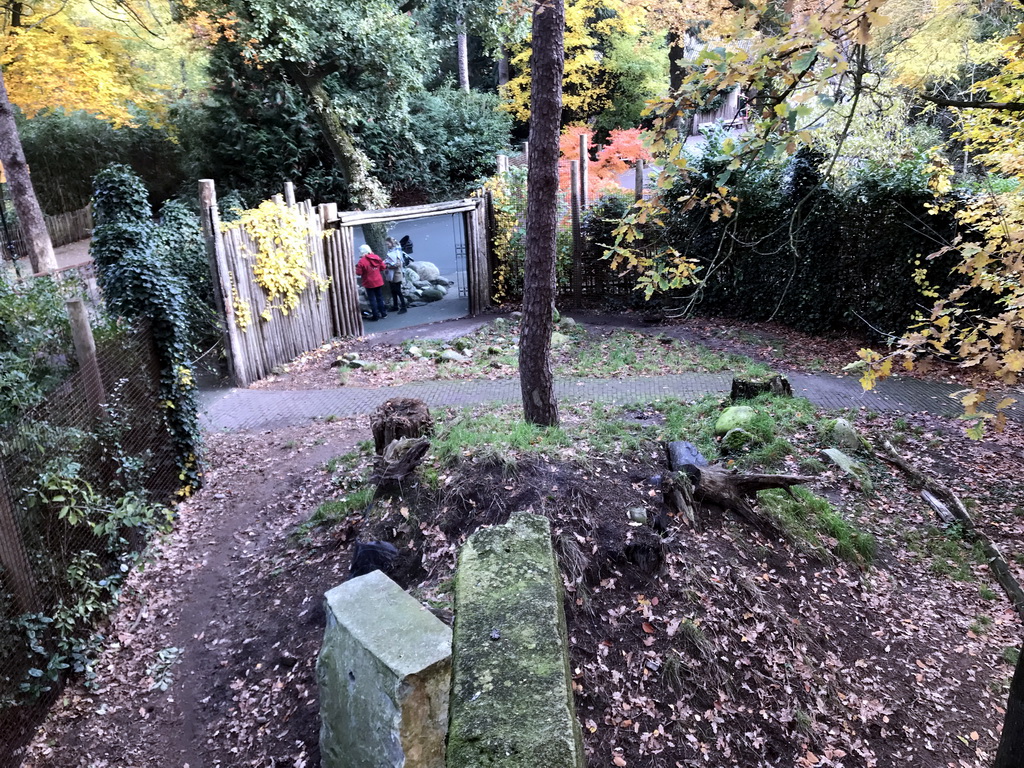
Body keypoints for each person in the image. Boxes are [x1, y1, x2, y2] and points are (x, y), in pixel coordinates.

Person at [355, 243, 387, 321]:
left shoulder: (361, 261)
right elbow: (383, 267)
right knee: (379, 298)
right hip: (378, 281)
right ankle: (383, 313)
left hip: (369, 282)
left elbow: (358, 273)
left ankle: (375, 316)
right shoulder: (376, 257)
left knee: (372, 299)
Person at [384, 237, 408, 314]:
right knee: (393, 291)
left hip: (396, 273)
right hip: (392, 273)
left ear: (391, 243)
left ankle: (403, 307)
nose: (387, 245)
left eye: (388, 244)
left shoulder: (397, 252)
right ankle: (395, 306)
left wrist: (387, 266)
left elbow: (398, 264)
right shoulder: (392, 251)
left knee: (398, 291)